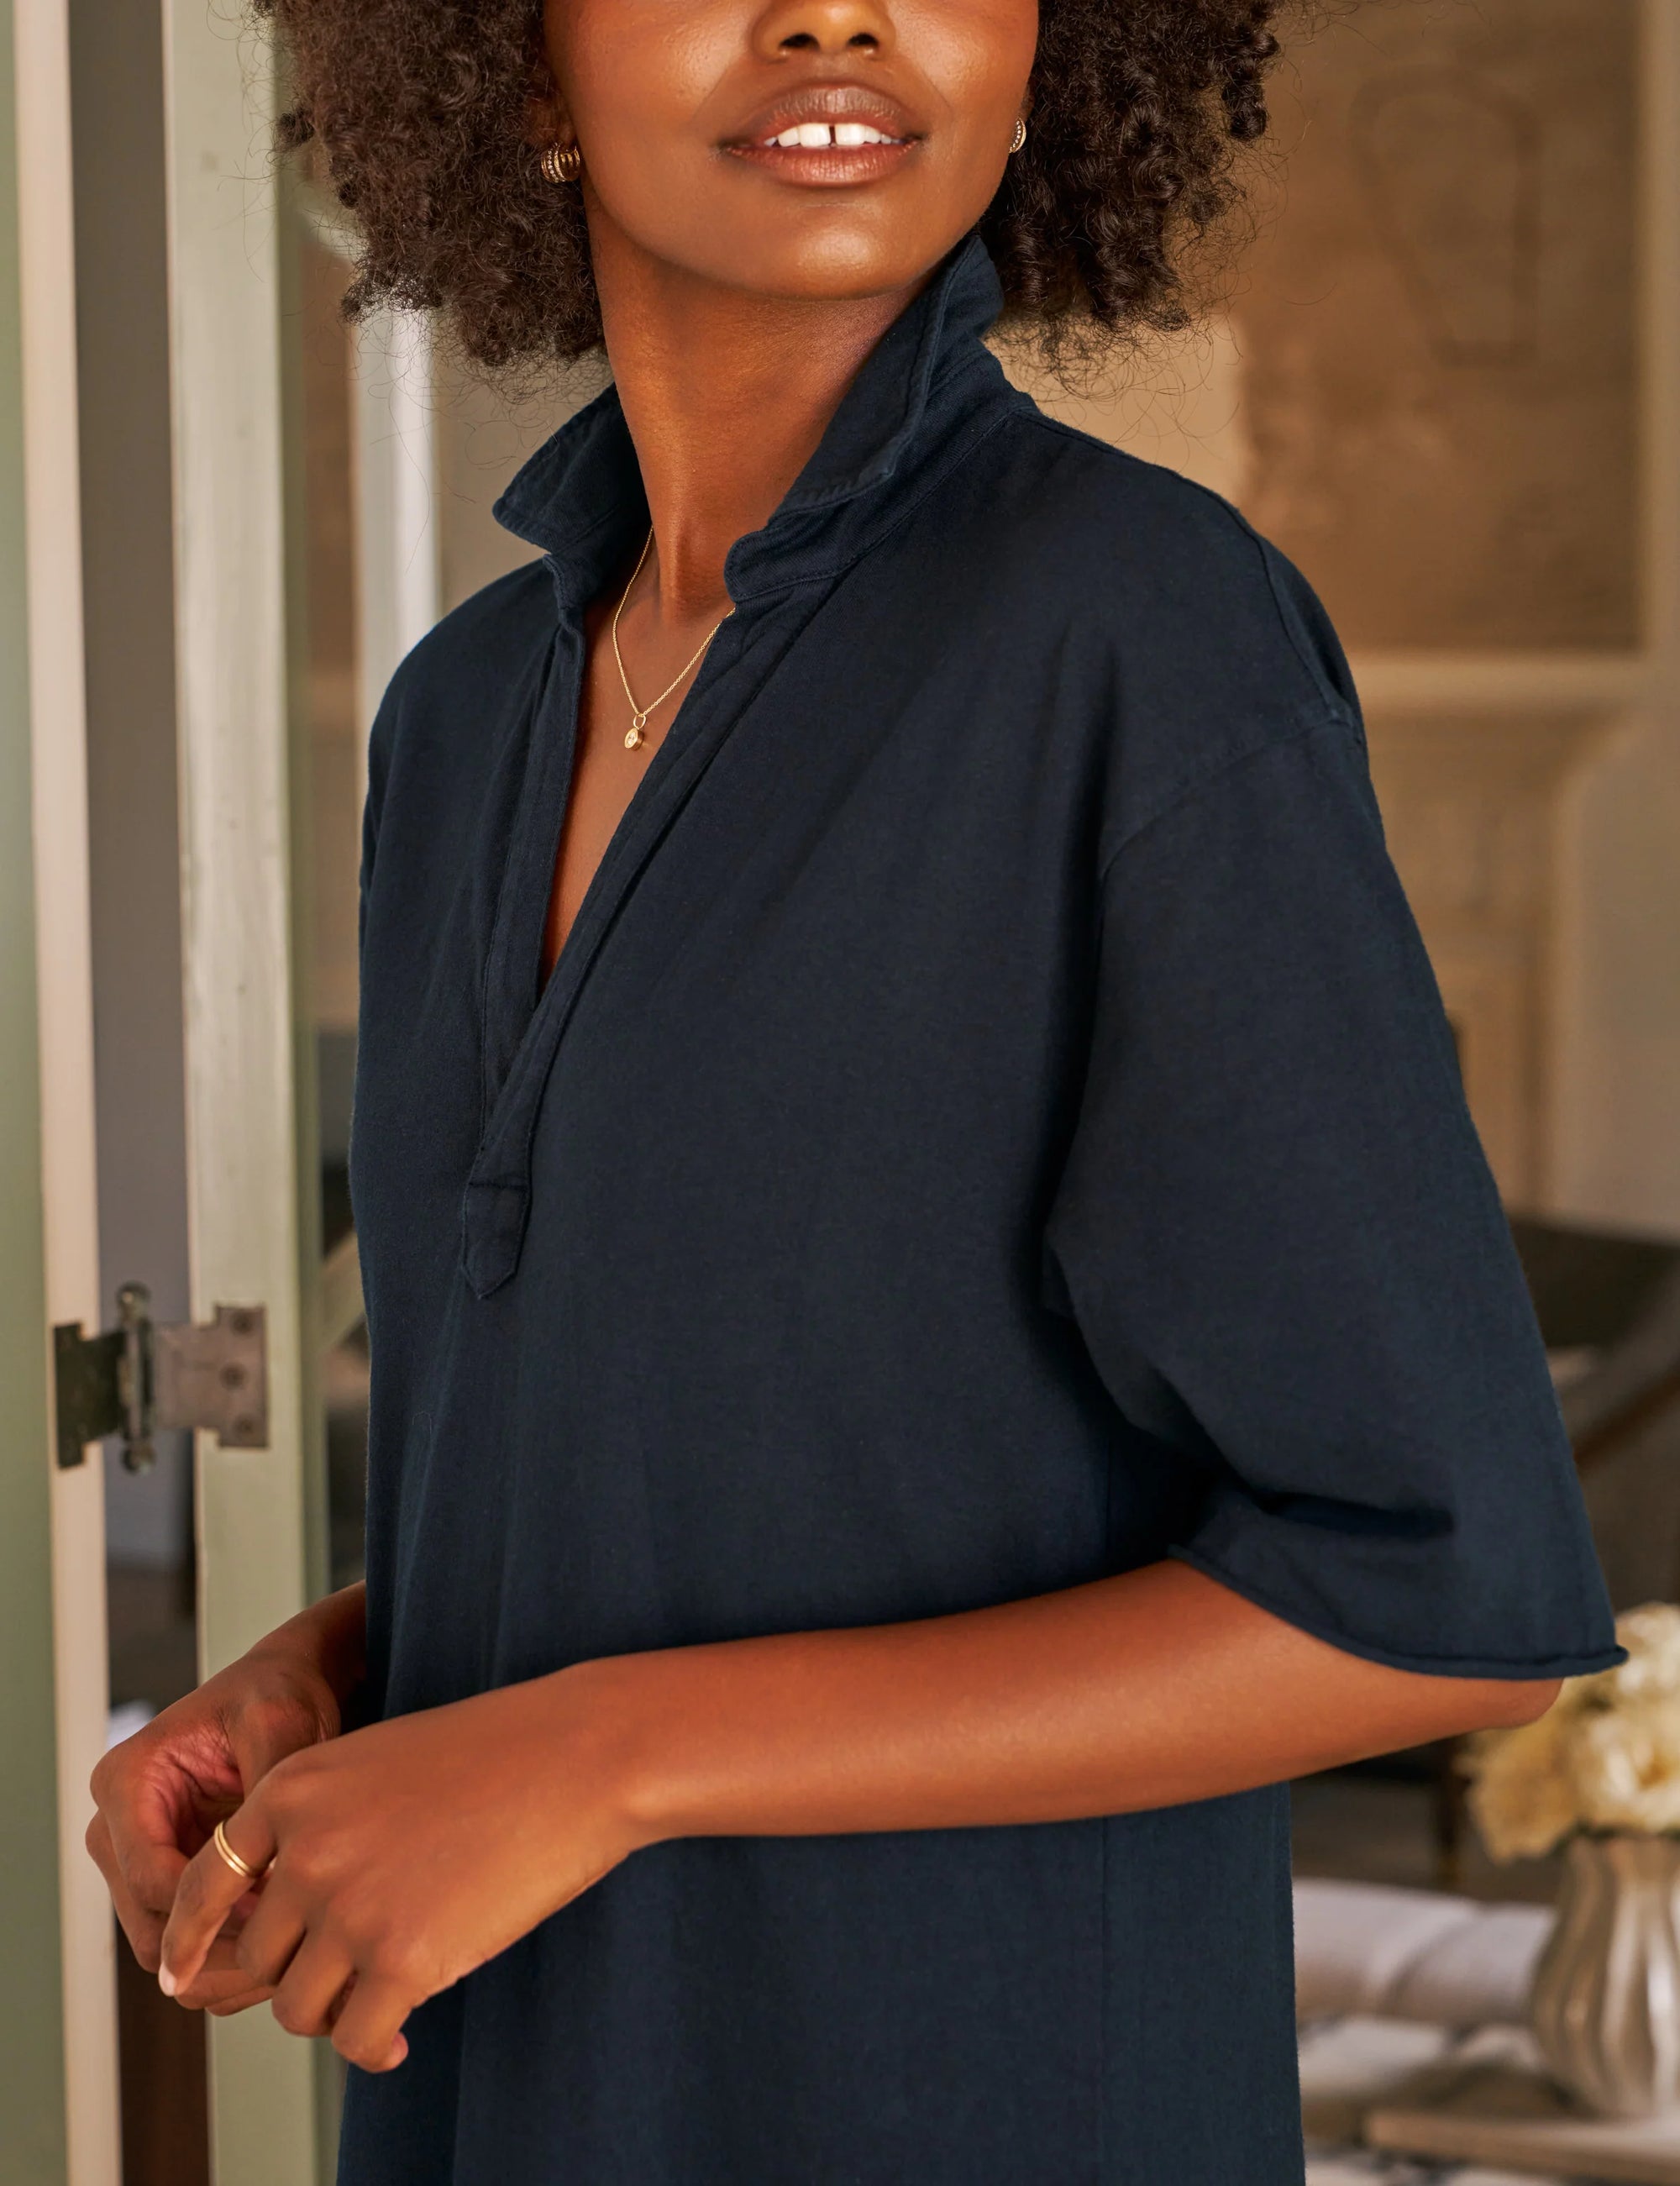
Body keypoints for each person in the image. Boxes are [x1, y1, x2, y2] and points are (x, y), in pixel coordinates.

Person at [88, 3, 1620, 2179]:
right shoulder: (458, 729)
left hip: (960, 2101)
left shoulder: (1144, 643)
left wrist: (596, 1756)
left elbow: (1439, 1590)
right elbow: (698, 1451)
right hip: (518, 2106)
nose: (837, 9)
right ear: (510, 64)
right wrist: (338, 1681)